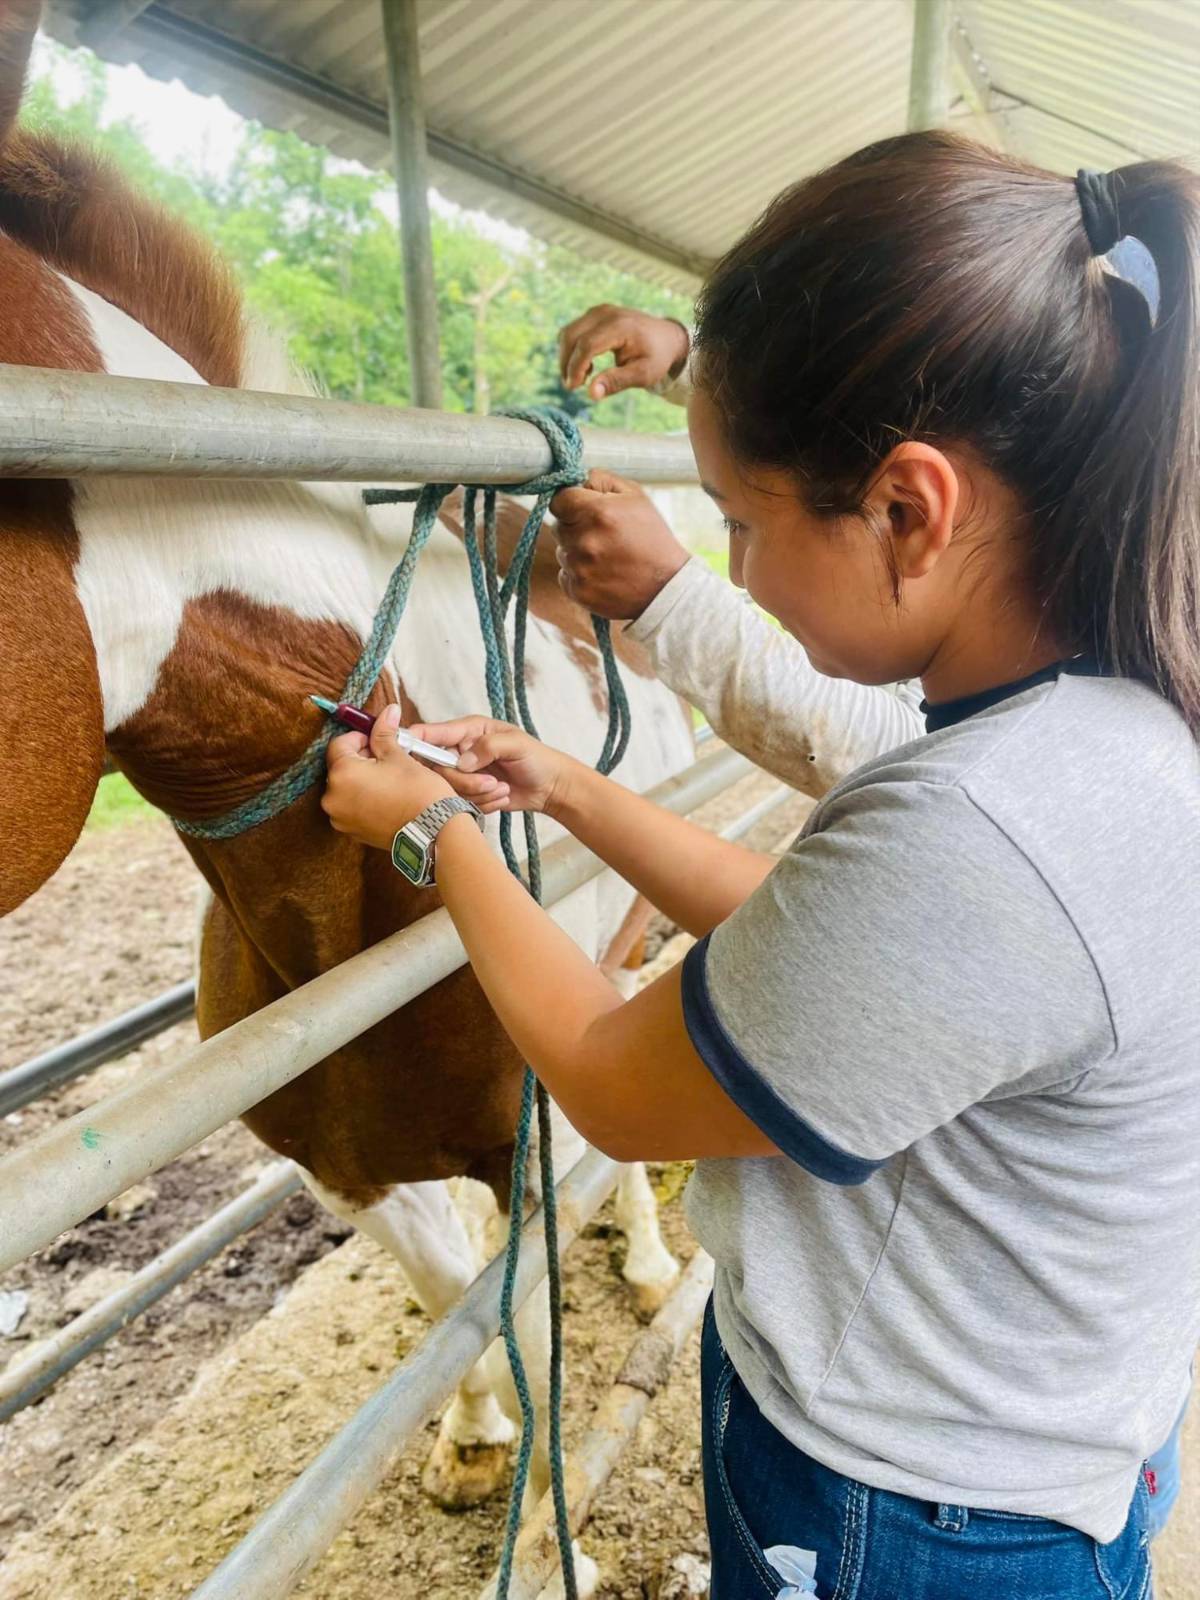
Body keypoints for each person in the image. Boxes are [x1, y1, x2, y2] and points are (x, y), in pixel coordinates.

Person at [323, 132, 1200, 1597]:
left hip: (906, 1507)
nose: (730, 565)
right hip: (1044, 1435)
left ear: (910, 513)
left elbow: (611, 1078)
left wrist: (434, 830)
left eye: (739, 524)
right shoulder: (1105, 720)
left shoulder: (984, 827)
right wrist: (570, 790)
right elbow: (836, 972)